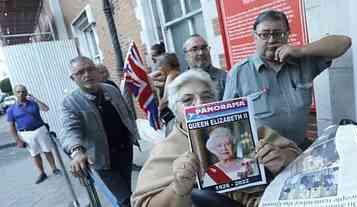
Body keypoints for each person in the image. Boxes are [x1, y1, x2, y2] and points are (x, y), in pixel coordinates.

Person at [132, 70, 301, 207]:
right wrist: (178, 188)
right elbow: (143, 203)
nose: (200, 104)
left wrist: (281, 158)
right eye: (187, 100)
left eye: (206, 96)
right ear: (176, 110)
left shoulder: (251, 128)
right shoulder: (166, 150)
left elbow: (298, 158)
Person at [223, 10, 352, 148]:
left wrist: (301, 50)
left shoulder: (301, 61)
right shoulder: (238, 73)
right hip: (265, 157)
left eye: (278, 34)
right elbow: (227, 120)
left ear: (287, 34)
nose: (272, 40)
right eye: (265, 34)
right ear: (254, 36)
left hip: (299, 149)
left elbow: (344, 42)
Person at [60, 56, 140, 206]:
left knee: (127, 190)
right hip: (102, 160)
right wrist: (77, 151)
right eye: (80, 72)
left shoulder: (111, 89)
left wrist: (133, 134)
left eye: (90, 69)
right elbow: (70, 130)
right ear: (73, 78)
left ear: (97, 71)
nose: (87, 75)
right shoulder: (70, 102)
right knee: (125, 199)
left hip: (125, 151)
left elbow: (126, 113)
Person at [7, 84, 61, 184]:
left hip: (40, 129)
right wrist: (17, 140)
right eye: (18, 92)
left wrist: (35, 99)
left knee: (47, 150)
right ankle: (42, 173)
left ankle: (54, 168)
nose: (21, 93)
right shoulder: (11, 109)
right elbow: (11, 127)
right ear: (14, 94)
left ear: (26, 92)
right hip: (26, 134)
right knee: (35, 154)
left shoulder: (33, 103)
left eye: (23, 91)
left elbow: (45, 109)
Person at [183, 34, 227, 98]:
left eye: (204, 48)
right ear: (186, 56)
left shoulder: (225, 78)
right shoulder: (181, 82)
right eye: (194, 49)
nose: (201, 53)